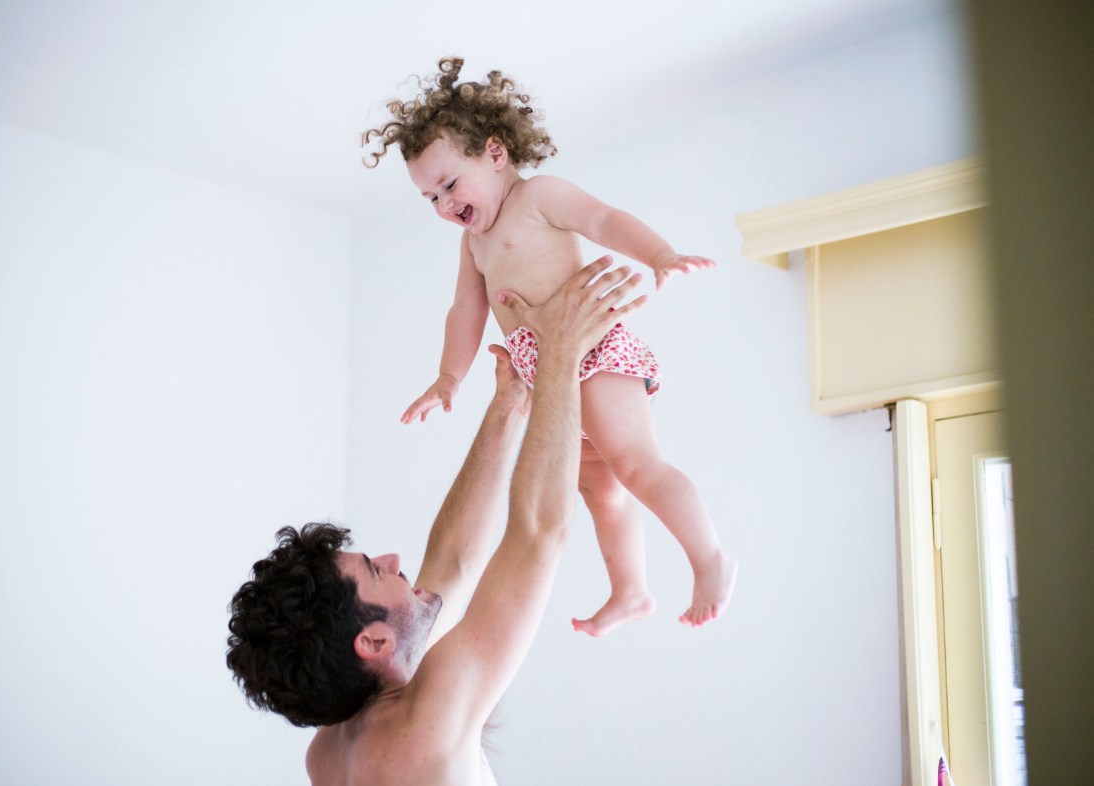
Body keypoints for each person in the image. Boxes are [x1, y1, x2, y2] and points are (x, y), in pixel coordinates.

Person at [227, 259, 644, 785]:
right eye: (375, 571)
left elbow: (454, 562)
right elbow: (538, 534)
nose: (392, 560)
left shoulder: (332, 747)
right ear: (373, 643)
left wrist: (511, 401)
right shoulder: (426, 723)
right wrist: (561, 350)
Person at [362, 56, 736, 634]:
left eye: (450, 185)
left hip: (594, 351)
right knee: (599, 488)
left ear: (494, 153)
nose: (444, 206)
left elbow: (603, 221)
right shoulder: (473, 243)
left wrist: (660, 255)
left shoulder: (538, 196)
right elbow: (466, 310)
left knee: (635, 465)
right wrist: (449, 377)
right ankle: (630, 590)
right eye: (430, 198)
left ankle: (710, 558)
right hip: (551, 381)